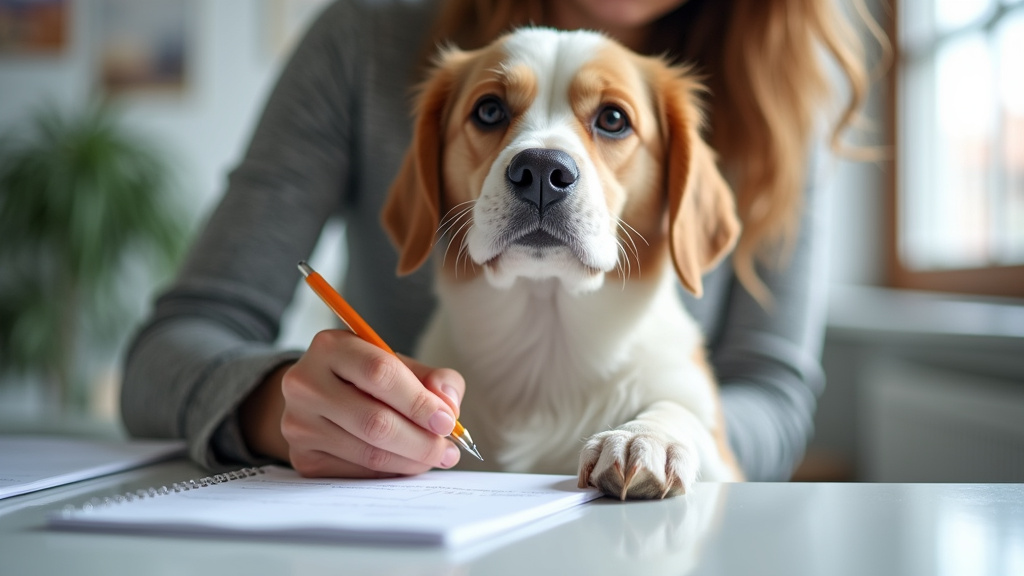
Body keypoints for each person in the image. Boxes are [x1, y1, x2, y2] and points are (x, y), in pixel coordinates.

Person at [122, 0, 876, 481]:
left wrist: (680, 435)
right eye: (491, 114)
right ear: (432, 179)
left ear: (678, 194)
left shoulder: (780, 107)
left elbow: (771, 397)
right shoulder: (362, 42)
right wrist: (274, 404)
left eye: (610, 121)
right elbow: (165, 353)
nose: (541, 164)